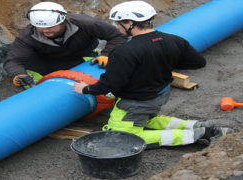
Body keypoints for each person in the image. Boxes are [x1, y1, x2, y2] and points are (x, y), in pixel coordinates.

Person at [73, 1, 232, 148]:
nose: (116, 27)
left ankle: (198, 135)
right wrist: (164, 63)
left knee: (122, 137)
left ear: (130, 23)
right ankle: (195, 125)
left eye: (118, 23)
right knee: (149, 118)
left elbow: (110, 85)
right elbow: (198, 62)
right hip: (160, 94)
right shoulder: (174, 40)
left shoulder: (124, 52)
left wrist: (85, 89)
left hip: (136, 102)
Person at [4, 2, 127, 88]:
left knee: (106, 79)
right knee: (33, 85)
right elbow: (13, 61)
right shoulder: (28, 35)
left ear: (64, 21)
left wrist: (107, 54)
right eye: (40, 27)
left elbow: (117, 36)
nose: (45, 31)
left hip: (81, 59)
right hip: (45, 65)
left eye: (51, 27)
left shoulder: (85, 24)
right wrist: (18, 75)